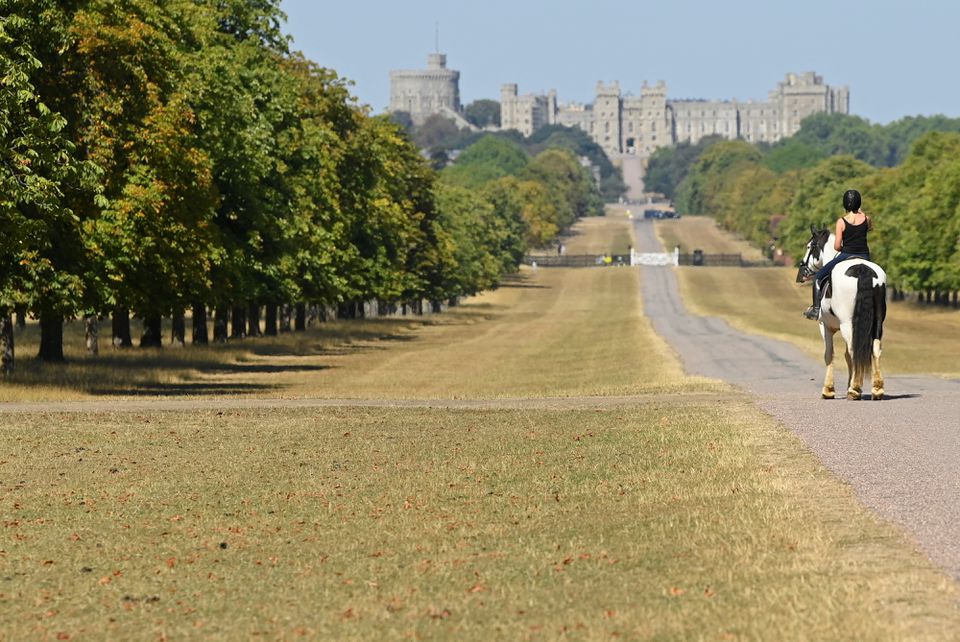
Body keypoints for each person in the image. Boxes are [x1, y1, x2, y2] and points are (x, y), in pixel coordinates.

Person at [803, 189, 873, 319]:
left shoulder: (841, 221)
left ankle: (815, 310)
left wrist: (844, 247)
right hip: (864, 255)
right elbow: (869, 228)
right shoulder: (866, 219)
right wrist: (862, 213)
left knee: (818, 277)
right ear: (859, 203)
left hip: (846, 254)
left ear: (845, 204)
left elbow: (836, 246)